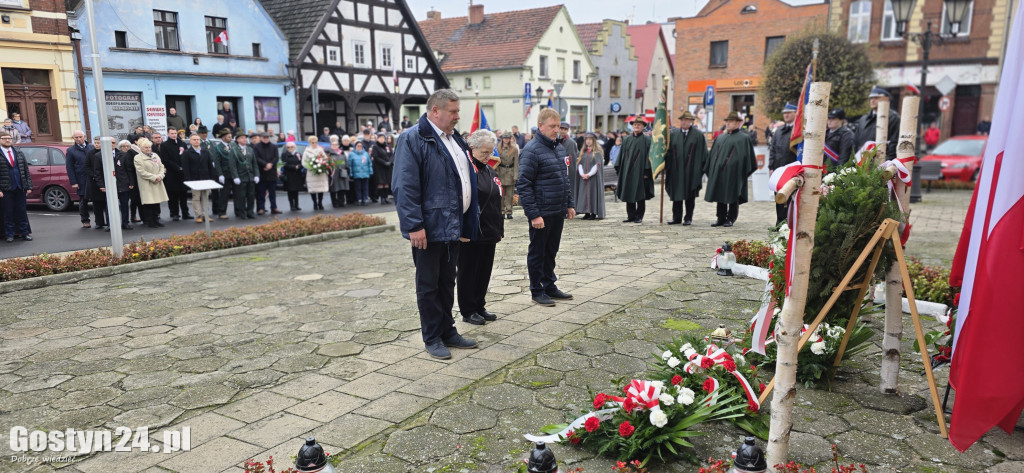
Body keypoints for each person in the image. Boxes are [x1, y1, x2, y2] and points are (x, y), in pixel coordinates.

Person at [392, 88, 480, 360]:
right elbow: (405, 186)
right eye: (452, 111)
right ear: (435, 111)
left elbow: (464, 182)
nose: (457, 116)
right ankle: (432, 336)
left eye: (457, 111)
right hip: (429, 228)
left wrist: (467, 223)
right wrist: (414, 225)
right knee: (429, 285)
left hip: (451, 225)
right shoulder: (413, 139)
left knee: (446, 282)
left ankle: (448, 331)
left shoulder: (455, 140)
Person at [518, 108, 576, 307]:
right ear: (540, 126)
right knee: (538, 252)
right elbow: (524, 184)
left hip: (557, 210)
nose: (556, 130)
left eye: (558, 126)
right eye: (552, 126)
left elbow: (564, 179)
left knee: (551, 251)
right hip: (541, 212)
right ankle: (537, 289)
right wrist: (534, 214)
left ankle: (549, 285)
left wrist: (569, 204)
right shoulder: (531, 150)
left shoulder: (558, 148)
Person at [457, 129, 504, 326]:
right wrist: (461, 230)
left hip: (489, 231)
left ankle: (479, 305)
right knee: (469, 272)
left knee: (484, 271)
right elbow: (460, 202)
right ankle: (468, 310)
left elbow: (496, 200)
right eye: (484, 152)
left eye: (490, 152)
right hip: (472, 232)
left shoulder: (489, 169)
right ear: (472, 148)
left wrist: (499, 229)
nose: (488, 156)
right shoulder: (466, 170)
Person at [704, 111, 757, 227]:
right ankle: (720, 217)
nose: (728, 124)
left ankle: (731, 218)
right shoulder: (720, 137)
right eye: (727, 121)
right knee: (720, 194)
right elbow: (713, 154)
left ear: (738, 123)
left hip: (734, 173)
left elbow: (747, 157)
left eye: (731, 121)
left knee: (733, 195)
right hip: (719, 172)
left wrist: (741, 171)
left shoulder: (743, 138)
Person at [665, 111, 708, 225]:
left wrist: (700, 170)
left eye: (686, 120)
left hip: (691, 171)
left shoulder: (698, 135)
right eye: (682, 120)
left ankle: (688, 218)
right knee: (677, 195)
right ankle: (676, 218)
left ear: (691, 121)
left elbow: (703, 154)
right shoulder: (674, 134)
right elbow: (668, 152)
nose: (684, 122)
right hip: (676, 170)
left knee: (690, 196)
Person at [616, 117, 654, 223]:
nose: (636, 126)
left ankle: (639, 216)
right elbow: (622, 155)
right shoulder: (627, 139)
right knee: (629, 193)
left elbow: (649, 156)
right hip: (627, 171)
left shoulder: (647, 140)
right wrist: (620, 168)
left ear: (643, 127)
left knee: (640, 194)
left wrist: (647, 171)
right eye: (635, 124)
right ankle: (631, 215)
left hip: (641, 172)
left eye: (639, 125)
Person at [769, 102, 799, 225]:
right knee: (779, 196)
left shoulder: (797, 131)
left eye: (788, 113)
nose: (786, 115)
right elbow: (773, 149)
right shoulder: (779, 130)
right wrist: (771, 166)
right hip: (778, 169)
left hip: (792, 168)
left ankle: (789, 223)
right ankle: (779, 221)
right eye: (784, 113)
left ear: (795, 113)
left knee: (791, 196)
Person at [0, 131, 33, 241]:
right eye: (4, 138)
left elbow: (25, 170)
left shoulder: (18, 152)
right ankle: (10, 234)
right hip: (6, 188)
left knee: (21, 211)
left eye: (9, 138)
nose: (7, 140)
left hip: (20, 187)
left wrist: (28, 186)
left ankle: (24, 232)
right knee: (7, 212)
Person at [853, 86, 900, 161]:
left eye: (876, 98)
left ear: (887, 99)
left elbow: (894, 142)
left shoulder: (893, 118)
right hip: (862, 161)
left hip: (880, 162)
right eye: (871, 98)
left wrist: (887, 162)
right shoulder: (863, 119)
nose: (872, 100)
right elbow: (855, 142)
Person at [132, 138, 169, 228]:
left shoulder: (155, 155)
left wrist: (160, 176)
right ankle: (150, 221)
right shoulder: (138, 158)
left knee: (156, 202)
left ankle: (156, 220)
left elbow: (161, 167)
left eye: (149, 147)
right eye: (146, 148)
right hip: (147, 183)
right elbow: (141, 172)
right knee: (149, 203)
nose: (148, 149)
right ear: (141, 148)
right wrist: (154, 177)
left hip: (158, 182)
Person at [182, 133, 216, 222]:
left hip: (206, 178)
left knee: (205, 197)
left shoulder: (205, 151)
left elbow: (210, 165)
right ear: (190, 141)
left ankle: (205, 214)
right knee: (196, 197)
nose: (196, 141)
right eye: (194, 139)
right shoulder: (187, 153)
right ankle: (198, 215)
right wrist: (188, 179)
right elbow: (186, 168)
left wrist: (212, 177)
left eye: (197, 139)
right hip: (194, 179)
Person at [159, 128, 191, 221]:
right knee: (173, 196)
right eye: (172, 133)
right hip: (172, 174)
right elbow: (165, 160)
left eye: (175, 133)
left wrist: (184, 167)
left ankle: (186, 213)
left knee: (183, 195)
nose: (174, 135)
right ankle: (174, 213)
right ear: (168, 134)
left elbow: (186, 156)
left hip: (182, 174)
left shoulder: (182, 143)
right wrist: (177, 167)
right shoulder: (164, 145)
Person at [66, 130, 94, 228]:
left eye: (80, 137)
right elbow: (69, 167)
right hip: (81, 178)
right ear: (73, 138)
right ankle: (85, 220)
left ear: (85, 136)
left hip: (93, 177)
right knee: (83, 200)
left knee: (97, 200)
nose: (79, 139)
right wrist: (73, 182)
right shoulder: (71, 151)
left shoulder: (92, 147)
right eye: (76, 137)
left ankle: (100, 220)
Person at [575, 132, 606, 220]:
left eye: (590, 139)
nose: (588, 141)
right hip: (584, 178)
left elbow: (597, 165)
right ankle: (586, 212)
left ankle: (593, 212)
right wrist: (582, 174)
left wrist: (589, 174)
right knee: (584, 195)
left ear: (594, 140)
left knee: (592, 194)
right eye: (587, 139)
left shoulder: (597, 152)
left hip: (593, 178)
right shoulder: (583, 152)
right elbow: (579, 164)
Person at [83, 136, 110, 231]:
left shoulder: (107, 153)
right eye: (95, 143)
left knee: (107, 204)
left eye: (98, 143)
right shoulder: (90, 153)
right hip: (94, 182)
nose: (97, 144)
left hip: (106, 181)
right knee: (97, 204)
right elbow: (86, 167)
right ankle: (99, 222)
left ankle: (109, 222)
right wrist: (94, 175)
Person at [210, 128, 237, 219]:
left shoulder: (233, 145)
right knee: (224, 194)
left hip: (235, 174)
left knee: (238, 194)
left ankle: (239, 211)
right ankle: (222, 212)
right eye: (228, 136)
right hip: (225, 174)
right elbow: (217, 162)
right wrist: (220, 174)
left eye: (230, 136)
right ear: (223, 137)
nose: (230, 137)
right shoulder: (218, 148)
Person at [232, 134, 259, 219]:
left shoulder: (250, 149)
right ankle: (242, 213)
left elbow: (254, 163)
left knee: (251, 195)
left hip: (250, 176)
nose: (244, 139)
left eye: (245, 138)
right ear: (238, 140)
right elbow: (232, 165)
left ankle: (250, 212)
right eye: (242, 138)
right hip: (241, 177)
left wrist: (256, 175)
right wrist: (235, 176)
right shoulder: (234, 150)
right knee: (241, 196)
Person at [254, 132, 280, 215]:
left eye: (267, 137)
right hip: (262, 172)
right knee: (261, 192)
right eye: (264, 137)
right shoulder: (257, 147)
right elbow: (256, 158)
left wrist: (270, 164)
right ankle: (261, 208)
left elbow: (276, 157)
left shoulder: (274, 146)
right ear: (261, 138)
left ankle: (274, 207)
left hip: (272, 172)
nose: (266, 139)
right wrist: (265, 164)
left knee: (272, 192)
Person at [302, 136, 330, 210]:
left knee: (321, 188)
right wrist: (312, 167)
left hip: (321, 172)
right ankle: (315, 203)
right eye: (312, 142)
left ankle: (320, 202)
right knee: (313, 189)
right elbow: (304, 162)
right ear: (310, 143)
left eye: (316, 142)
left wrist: (322, 165)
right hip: (312, 172)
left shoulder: (320, 150)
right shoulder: (307, 151)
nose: (314, 144)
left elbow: (325, 159)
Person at [496, 132, 519, 219]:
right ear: (502, 139)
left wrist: (516, 175)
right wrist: (496, 174)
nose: (506, 139)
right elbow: (496, 161)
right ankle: (502, 211)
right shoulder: (498, 148)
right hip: (501, 172)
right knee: (501, 194)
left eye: (508, 138)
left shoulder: (514, 149)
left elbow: (516, 163)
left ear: (510, 139)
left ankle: (509, 211)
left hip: (510, 172)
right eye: (504, 138)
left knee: (509, 194)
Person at [824, 108, 855, 172]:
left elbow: (844, 156)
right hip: (823, 169)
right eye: (829, 118)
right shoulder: (825, 132)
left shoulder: (847, 134)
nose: (830, 121)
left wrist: (836, 173)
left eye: (833, 119)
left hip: (833, 171)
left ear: (841, 120)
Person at [114, 140, 136, 228]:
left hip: (125, 183)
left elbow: (130, 170)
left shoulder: (130, 155)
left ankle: (125, 222)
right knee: (113, 205)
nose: (126, 148)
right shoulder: (117, 155)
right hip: (116, 183)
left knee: (125, 205)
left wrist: (131, 182)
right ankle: (113, 224)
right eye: (124, 146)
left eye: (128, 146)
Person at [558, 122, 580, 204]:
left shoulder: (571, 142)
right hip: (558, 170)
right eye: (561, 129)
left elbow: (572, 159)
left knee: (569, 190)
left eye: (565, 129)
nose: (563, 131)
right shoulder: (556, 141)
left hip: (568, 170)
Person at [280, 142, 305, 211]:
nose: (290, 148)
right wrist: (294, 167)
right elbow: (284, 164)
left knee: (296, 191)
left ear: (295, 147)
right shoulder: (284, 155)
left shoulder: (298, 154)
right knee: (290, 191)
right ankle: (292, 205)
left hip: (297, 175)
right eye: (288, 147)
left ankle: (297, 205)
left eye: (292, 147)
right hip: (289, 174)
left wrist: (299, 166)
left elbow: (302, 163)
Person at [370, 132, 393, 204]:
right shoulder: (375, 147)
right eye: (380, 138)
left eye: (383, 138)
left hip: (388, 167)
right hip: (379, 167)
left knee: (386, 182)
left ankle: (386, 197)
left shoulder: (387, 146)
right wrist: (384, 162)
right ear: (377, 139)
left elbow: (392, 155)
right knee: (381, 183)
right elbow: (375, 157)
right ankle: (382, 198)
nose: (382, 139)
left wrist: (390, 162)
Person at [348, 140, 372, 205]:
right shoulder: (352, 154)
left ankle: (365, 198)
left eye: (360, 146)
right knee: (358, 187)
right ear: (355, 146)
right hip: (356, 173)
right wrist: (351, 173)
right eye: (358, 146)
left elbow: (369, 163)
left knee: (365, 187)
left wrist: (370, 171)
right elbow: (350, 164)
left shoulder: (365, 153)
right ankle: (359, 199)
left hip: (365, 172)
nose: (359, 147)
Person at [327, 136, 349, 208]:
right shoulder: (329, 154)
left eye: (336, 145)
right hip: (333, 173)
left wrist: (346, 168)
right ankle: (334, 202)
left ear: (338, 146)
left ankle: (341, 201)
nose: (335, 146)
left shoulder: (341, 153)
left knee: (342, 188)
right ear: (331, 146)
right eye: (333, 145)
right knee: (333, 189)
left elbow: (346, 161)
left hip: (341, 172)